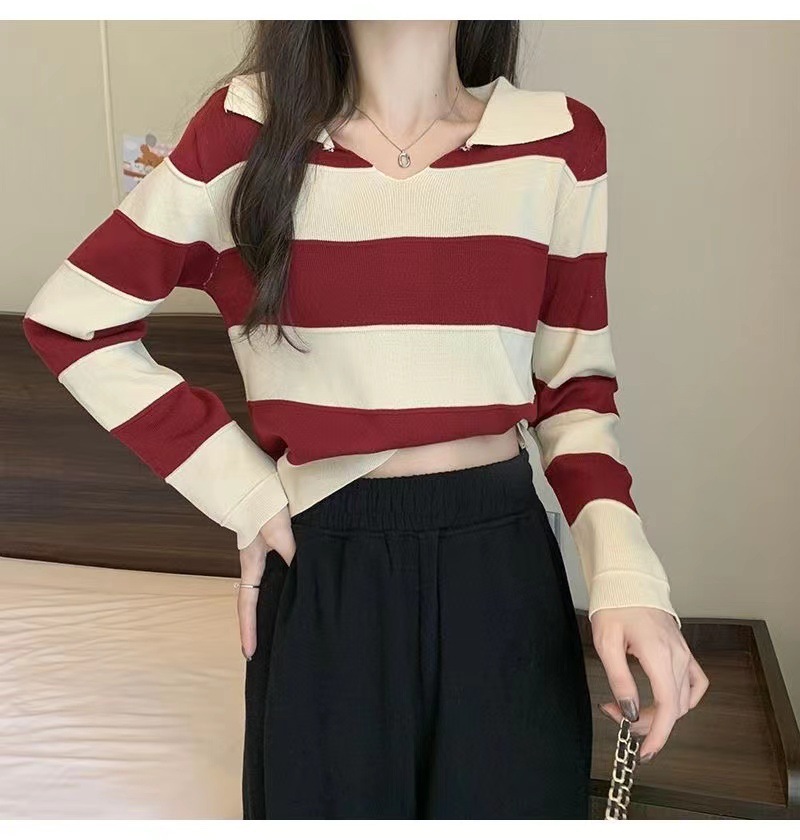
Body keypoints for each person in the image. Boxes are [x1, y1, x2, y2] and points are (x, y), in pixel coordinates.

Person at [22, 20, 709, 819]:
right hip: (325, 563)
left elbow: (574, 394)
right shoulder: (244, 131)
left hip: (502, 567)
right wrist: (244, 492)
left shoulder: (559, 140)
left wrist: (628, 578)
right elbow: (74, 320)